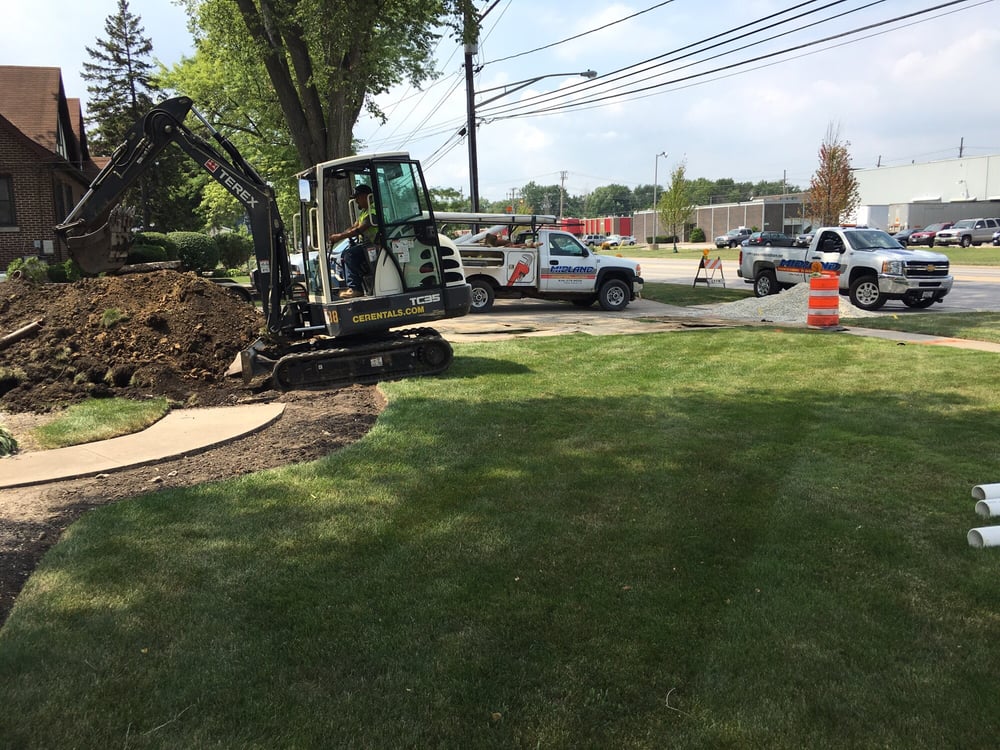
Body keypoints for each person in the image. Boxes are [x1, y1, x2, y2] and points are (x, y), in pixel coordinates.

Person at [328, 184, 377, 298]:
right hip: (367, 246)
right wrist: (338, 236)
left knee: (349, 255)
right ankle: (357, 286)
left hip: (375, 245)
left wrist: (339, 237)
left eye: (357, 197)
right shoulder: (364, 212)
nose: (356, 201)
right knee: (345, 255)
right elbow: (353, 228)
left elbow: (359, 230)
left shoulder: (373, 211)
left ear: (366, 196)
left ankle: (356, 289)